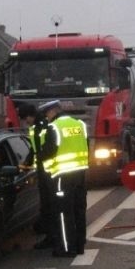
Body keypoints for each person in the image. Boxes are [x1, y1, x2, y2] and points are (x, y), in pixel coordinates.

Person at [37, 99, 89, 258]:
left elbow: (48, 152)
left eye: (47, 114)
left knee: (63, 213)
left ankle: (67, 248)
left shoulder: (54, 127)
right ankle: (80, 245)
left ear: (52, 111)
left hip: (61, 176)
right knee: (78, 210)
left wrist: (41, 160)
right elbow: (86, 145)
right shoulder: (80, 124)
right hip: (80, 174)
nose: (46, 118)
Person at [18, 103, 53, 249]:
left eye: (26, 119)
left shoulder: (44, 126)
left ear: (30, 116)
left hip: (49, 171)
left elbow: (46, 149)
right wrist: (28, 161)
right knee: (47, 205)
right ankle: (49, 234)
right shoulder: (36, 127)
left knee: (50, 205)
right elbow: (34, 148)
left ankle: (51, 238)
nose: (26, 123)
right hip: (43, 171)